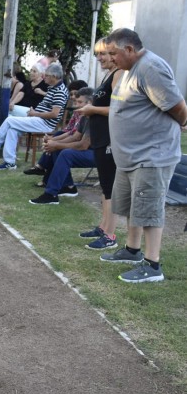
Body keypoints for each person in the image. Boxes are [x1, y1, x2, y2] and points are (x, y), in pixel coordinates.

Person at [99, 28, 187, 283]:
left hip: (152, 155)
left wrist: (177, 124)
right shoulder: (129, 70)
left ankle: (152, 265)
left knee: (149, 210)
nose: (111, 59)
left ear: (129, 49)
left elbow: (179, 108)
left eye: (113, 53)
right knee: (131, 207)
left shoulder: (151, 68)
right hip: (130, 156)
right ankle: (132, 251)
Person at [76, 37, 125, 250]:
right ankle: (103, 227)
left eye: (103, 53)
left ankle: (110, 235)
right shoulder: (110, 74)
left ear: (115, 54)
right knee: (105, 186)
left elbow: (118, 109)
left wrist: (91, 110)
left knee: (110, 187)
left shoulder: (120, 74)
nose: (99, 58)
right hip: (100, 137)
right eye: (97, 54)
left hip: (109, 138)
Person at [0, 63, 69, 170]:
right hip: (37, 118)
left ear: (54, 76)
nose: (44, 77)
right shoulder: (53, 88)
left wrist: (35, 113)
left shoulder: (60, 91)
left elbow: (54, 114)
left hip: (45, 123)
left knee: (10, 120)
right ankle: (10, 162)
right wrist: (35, 112)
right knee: (12, 129)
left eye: (47, 75)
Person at [28, 88, 96, 204]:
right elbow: (74, 136)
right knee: (58, 150)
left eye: (80, 102)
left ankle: (51, 194)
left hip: (102, 156)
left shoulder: (95, 118)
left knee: (65, 153)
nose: (76, 105)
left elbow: (83, 145)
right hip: (90, 152)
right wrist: (54, 143)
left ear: (89, 103)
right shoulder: (85, 116)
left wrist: (56, 144)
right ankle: (68, 187)